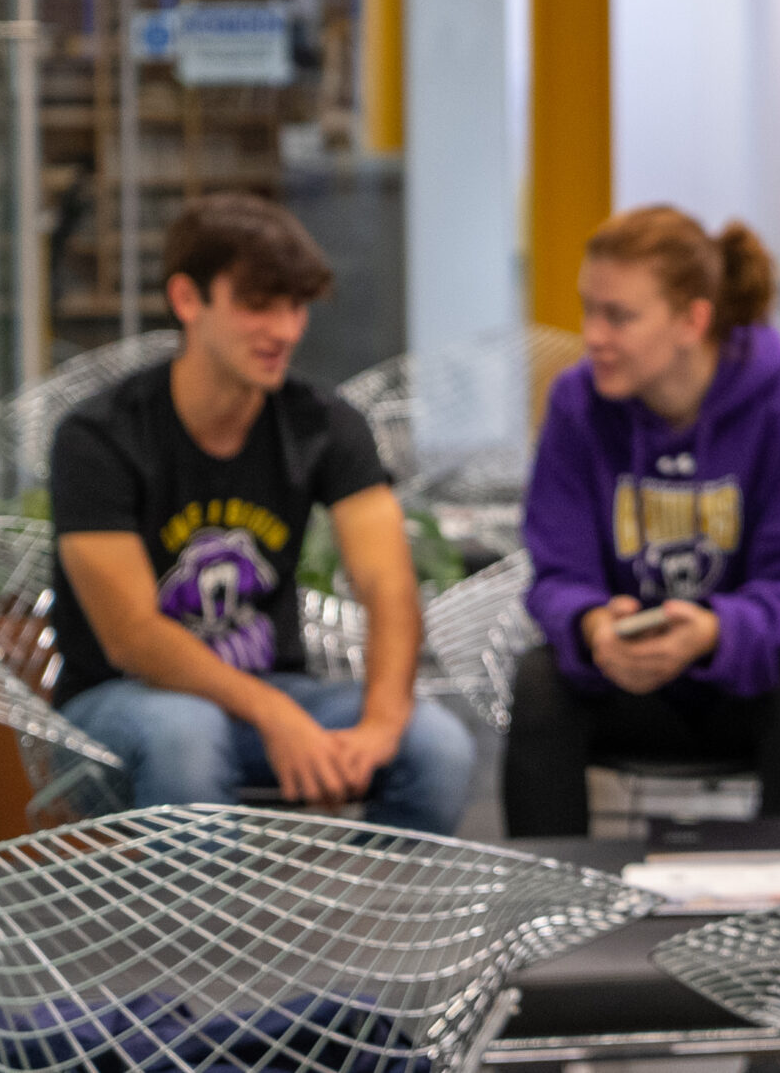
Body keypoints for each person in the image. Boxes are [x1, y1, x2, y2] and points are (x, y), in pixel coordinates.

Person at [50, 193, 475, 833]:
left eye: (296, 306)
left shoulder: (323, 426)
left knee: (437, 746)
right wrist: (276, 716)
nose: (284, 330)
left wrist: (382, 727)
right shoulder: (102, 437)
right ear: (189, 300)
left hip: (272, 691)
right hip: (121, 707)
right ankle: (201, 937)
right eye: (257, 305)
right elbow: (132, 635)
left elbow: (389, 585)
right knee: (186, 734)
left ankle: (377, 929)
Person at [505, 206, 780, 837]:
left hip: (746, 678)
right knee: (540, 680)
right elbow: (557, 568)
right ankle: (550, 903)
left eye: (619, 316)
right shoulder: (575, 404)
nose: (592, 336)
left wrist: (714, 632)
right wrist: (591, 624)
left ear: (692, 320)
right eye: (589, 308)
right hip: (624, 678)